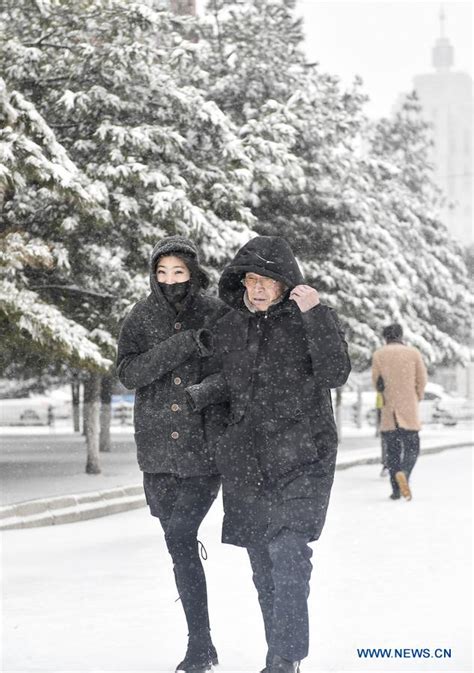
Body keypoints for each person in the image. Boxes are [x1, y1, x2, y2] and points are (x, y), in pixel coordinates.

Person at [186, 236, 351, 673]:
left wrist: (314, 313)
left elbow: (335, 372)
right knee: (263, 569)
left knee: (290, 557)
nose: (258, 288)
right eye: (251, 280)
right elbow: (233, 383)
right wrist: (202, 396)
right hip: (246, 462)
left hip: (302, 457)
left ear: (285, 284)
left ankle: (284, 659)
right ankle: (280, 657)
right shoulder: (229, 327)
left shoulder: (310, 319)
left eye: (268, 281)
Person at [116, 236, 227, 673]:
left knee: (182, 533)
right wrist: (182, 346)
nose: (170, 281)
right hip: (158, 450)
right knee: (176, 543)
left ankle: (198, 645)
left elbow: (235, 375)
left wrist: (203, 394)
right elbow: (129, 373)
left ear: (193, 273)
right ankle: (203, 641)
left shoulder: (217, 314)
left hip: (203, 449)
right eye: (162, 273)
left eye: (178, 273)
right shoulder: (140, 318)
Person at [371, 323, 428, 501]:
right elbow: (422, 379)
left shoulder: (379, 354)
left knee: (392, 452)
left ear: (385, 337)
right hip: (408, 409)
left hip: (389, 410)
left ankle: (396, 490)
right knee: (412, 447)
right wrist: (416, 397)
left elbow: (376, 381)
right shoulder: (413, 353)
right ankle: (405, 472)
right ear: (401, 336)